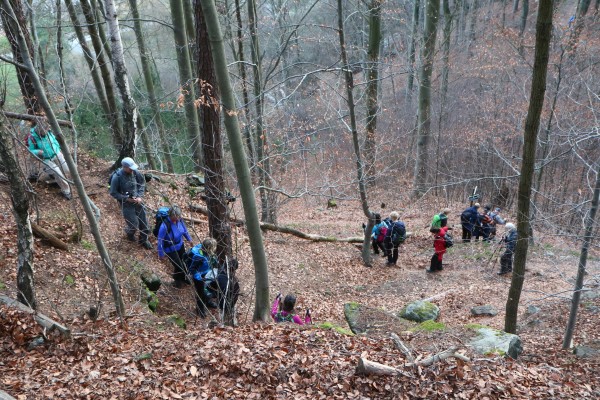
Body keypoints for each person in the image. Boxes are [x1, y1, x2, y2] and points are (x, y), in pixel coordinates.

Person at [110, 157, 152, 249]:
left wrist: (140, 197)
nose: (132, 170)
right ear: (124, 167)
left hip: (138, 202)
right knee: (133, 224)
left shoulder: (135, 172)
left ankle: (144, 240)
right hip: (126, 205)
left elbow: (142, 183)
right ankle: (129, 234)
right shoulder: (117, 177)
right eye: (130, 168)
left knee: (144, 223)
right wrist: (126, 199)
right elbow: (113, 192)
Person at [28, 117, 72, 200]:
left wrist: (58, 149)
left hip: (57, 154)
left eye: (47, 131)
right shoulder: (32, 137)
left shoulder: (48, 132)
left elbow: (54, 141)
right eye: (43, 132)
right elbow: (31, 151)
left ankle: (51, 173)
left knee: (67, 169)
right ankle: (66, 191)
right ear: (39, 130)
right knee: (58, 174)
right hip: (46, 159)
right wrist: (38, 152)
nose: (45, 133)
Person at [157, 205, 193, 288]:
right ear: (172, 216)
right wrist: (161, 254)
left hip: (180, 245)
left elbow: (185, 231)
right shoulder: (164, 226)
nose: (178, 217)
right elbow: (160, 241)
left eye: (179, 215)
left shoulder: (180, 221)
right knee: (179, 265)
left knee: (184, 262)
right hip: (170, 249)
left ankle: (182, 278)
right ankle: (178, 281)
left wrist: (189, 239)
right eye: (177, 216)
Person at [188, 238, 219, 317]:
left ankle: (208, 302)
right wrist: (200, 277)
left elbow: (213, 263)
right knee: (200, 294)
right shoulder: (198, 257)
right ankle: (200, 309)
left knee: (209, 290)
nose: (216, 248)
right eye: (214, 247)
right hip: (199, 278)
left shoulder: (211, 254)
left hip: (208, 275)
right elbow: (192, 269)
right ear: (210, 248)